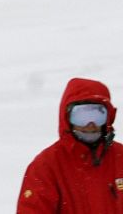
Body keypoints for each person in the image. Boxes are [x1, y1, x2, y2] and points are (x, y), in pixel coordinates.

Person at [17, 77, 123, 213]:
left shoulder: (120, 159)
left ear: (108, 117)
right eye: (82, 116)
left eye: (97, 115)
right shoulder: (46, 166)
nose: (90, 125)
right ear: (67, 117)